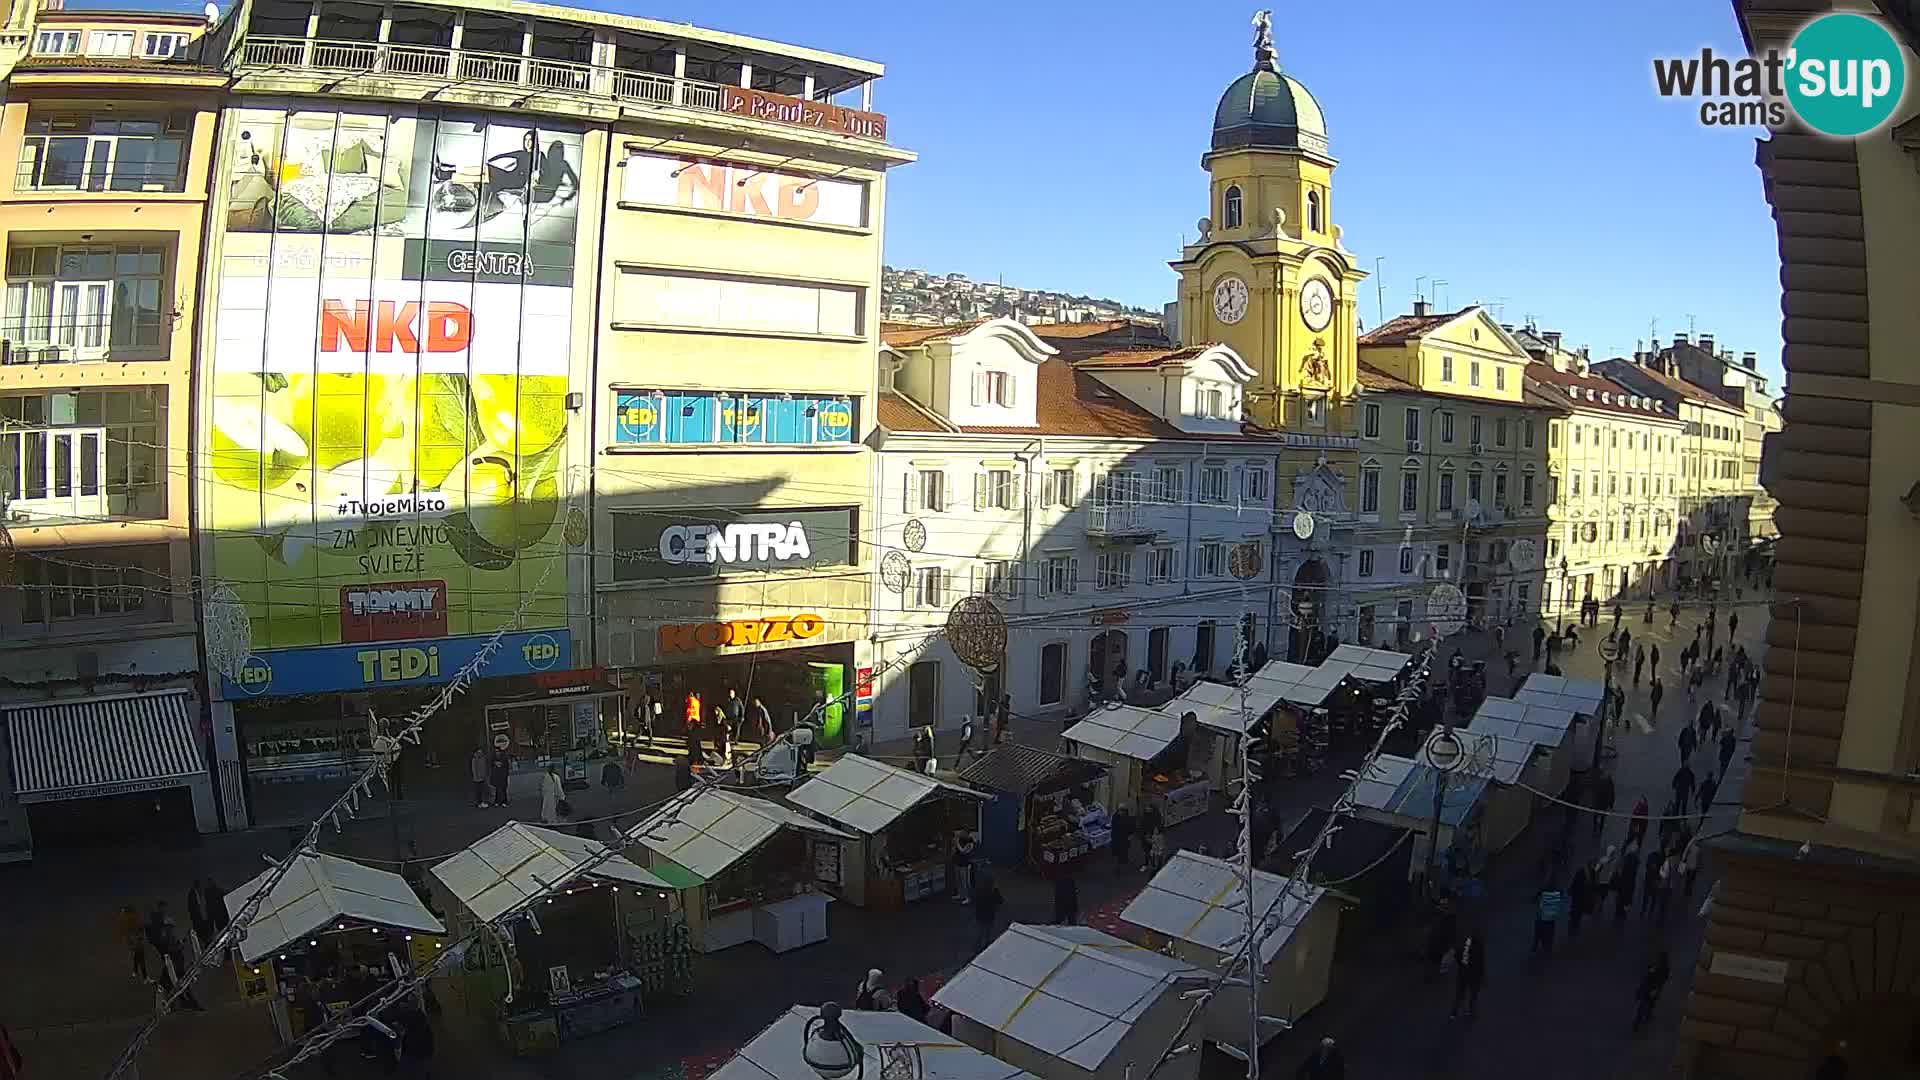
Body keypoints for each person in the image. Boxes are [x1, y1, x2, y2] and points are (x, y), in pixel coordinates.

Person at [1631, 950, 1672, 1032]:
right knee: (1649, 1003)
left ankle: (1641, 1020)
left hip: (1649, 987)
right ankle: (1646, 1017)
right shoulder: (1664, 967)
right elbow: (1663, 978)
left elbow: (1648, 975)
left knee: (1644, 1004)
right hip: (1653, 988)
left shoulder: (1658, 967)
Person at [1450, 930, 1485, 1019]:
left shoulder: (1466, 944)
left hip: (1463, 973)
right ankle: (1471, 1013)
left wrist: (1461, 964)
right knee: (1473, 995)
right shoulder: (1479, 947)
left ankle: (1454, 1012)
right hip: (1474, 975)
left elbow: (1457, 954)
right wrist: (1482, 976)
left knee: (1460, 994)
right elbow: (1481, 963)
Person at [971, 872, 1004, 951]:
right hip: (990, 915)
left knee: (980, 931)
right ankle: (986, 944)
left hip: (980, 915)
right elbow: (1000, 901)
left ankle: (977, 946)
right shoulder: (994, 891)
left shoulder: (978, 890)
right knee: (987, 931)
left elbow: (974, 901)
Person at [118, 903, 149, 982]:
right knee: (141, 959)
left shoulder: (129, 919)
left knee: (137, 956)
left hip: (135, 941)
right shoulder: (130, 920)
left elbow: (139, 928)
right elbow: (138, 929)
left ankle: (135, 972)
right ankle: (145, 977)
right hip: (136, 942)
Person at [1532, 882, 1564, 955]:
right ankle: (1547, 946)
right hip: (1551, 917)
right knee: (1549, 932)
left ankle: (1536, 945)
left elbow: (1534, 899)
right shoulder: (1558, 892)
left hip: (1542, 917)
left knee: (1538, 931)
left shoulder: (1542, 891)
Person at [1614, 844, 1641, 923]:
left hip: (1623, 881)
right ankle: (1623, 912)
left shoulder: (1626, 858)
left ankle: (1618, 911)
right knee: (1627, 897)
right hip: (1630, 882)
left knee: (1621, 896)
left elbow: (1620, 869)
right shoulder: (1636, 860)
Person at [951, 831, 977, 904]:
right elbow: (954, 851)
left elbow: (963, 851)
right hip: (957, 863)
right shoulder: (959, 840)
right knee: (958, 880)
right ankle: (960, 895)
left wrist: (957, 843)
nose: (958, 834)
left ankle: (967, 898)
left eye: (959, 833)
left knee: (964, 882)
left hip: (964, 865)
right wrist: (954, 844)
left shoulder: (970, 843)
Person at [1568, 863, 1593, 937]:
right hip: (1580, 896)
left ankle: (1573, 925)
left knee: (1576, 911)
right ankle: (1574, 926)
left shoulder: (1584, 872)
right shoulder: (1585, 873)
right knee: (1577, 911)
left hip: (1579, 896)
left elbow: (1574, 883)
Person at [1591, 771, 1616, 840]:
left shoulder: (1599, 781)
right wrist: (1611, 804)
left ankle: (1595, 828)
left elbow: (1595, 792)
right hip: (1604, 803)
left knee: (1596, 816)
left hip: (1598, 802)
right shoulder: (1609, 782)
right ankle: (1599, 831)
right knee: (1602, 817)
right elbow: (1612, 794)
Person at [1111, 806, 1135, 871]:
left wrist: (1131, 834)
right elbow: (1114, 826)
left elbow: (1131, 827)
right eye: (1120, 811)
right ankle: (1117, 866)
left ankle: (1124, 861)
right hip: (1117, 837)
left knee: (1124, 850)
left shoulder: (1127, 818)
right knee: (1117, 852)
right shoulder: (1115, 817)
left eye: (1122, 811)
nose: (1121, 812)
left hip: (1125, 837)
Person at [1680, 832, 1703, 899]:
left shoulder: (1700, 843)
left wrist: (1699, 864)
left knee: (1691, 878)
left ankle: (1688, 890)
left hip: (1694, 864)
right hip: (1690, 863)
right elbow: (1687, 850)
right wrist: (1684, 859)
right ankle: (1687, 890)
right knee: (1689, 878)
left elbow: (1700, 856)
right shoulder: (1693, 841)